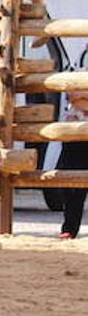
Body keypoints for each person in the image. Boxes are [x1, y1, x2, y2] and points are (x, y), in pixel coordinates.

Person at [56, 88, 88, 239]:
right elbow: (71, 95)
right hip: (72, 130)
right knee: (69, 183)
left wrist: (80, 96)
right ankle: (69, 227)